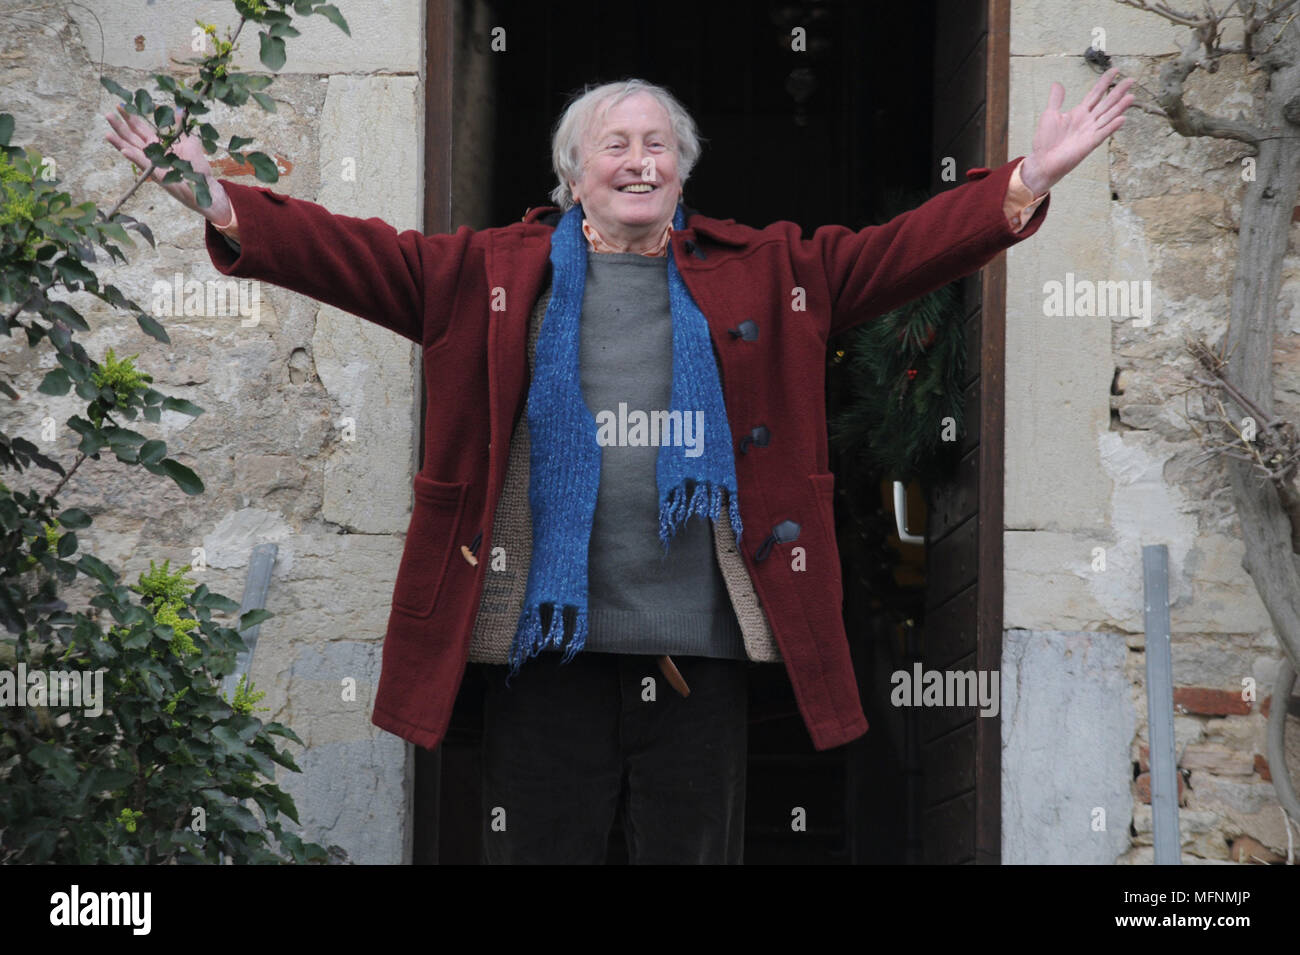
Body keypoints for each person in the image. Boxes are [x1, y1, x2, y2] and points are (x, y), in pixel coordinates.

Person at [104, 69, 1134, 864]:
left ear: (683, 170)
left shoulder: (769, 271)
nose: (638, 160)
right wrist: (226, 204)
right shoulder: (483, 274)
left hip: (699, 653)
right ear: (572, 172)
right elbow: (351, 254)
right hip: (541, 649)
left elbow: (896, 252)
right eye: (615, 145)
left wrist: (1026, 180)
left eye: (658, 145)